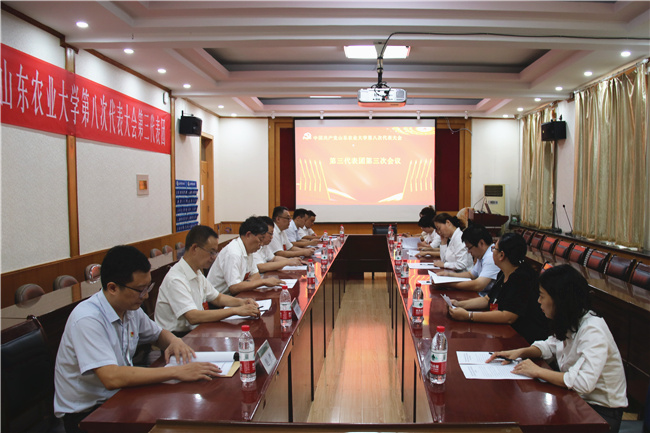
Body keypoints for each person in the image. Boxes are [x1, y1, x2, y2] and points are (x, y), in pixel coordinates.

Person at [54, 245, 222, 433]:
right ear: (112, 288)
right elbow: (112, 377)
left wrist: (175, 341)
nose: (146, 295)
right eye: (140, 290)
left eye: (148, 287)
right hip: (87, 415)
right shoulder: (88, 319)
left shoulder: (129, 309)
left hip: (119, 397)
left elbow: (158, 334)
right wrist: (177, 371)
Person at [487, 265, 627, 432]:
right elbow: (551, 345)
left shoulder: (592, 329)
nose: (538, 301)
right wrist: (521, 352)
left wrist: (537, 371)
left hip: (600, 412)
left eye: (542, 296)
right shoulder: (570, 318)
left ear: (559, 299)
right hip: (575, 400)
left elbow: (583, 382)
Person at [155, 225, 260, 336]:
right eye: (211, 252)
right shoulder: (176, 279)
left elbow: (217, 298)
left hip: (196, 330)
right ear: (195, 248)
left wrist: (242, 302)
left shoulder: (197, 272)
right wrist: (235, 310)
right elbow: (193, 316)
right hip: (178, 337)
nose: (214, 257)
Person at [447, 232, 549, 343]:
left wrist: (468, 316)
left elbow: (508, 316)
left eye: (494, 249)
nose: (492, 252)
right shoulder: (504, 272)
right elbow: (487, 299)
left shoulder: (522, 278)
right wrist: (458, 304)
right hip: (504, 331)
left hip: (523, 337)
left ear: (501, 255)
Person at [207, 216, 285, 294]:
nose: (261, 244)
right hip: (220, 297)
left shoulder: (248, 250)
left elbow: (256, 275)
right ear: (248, 235)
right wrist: (263, 282)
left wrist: (245, 284)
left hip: (236, 294)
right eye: (260, 239)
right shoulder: (233, 253)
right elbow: (234, 288)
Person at [436, 224, 500, 295]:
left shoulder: (491, 257)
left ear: (481, 243)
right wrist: (448, 274)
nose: (468, 252)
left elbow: (478, 285)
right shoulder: (483, 254)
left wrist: (447, 284)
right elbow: (471, 274)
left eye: (469, 248)